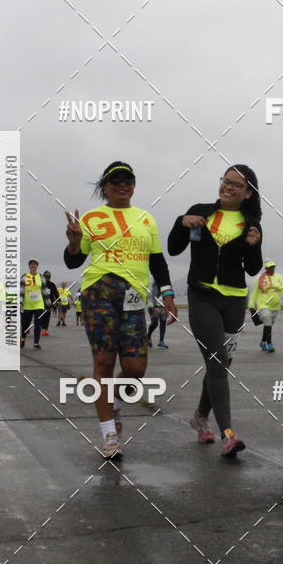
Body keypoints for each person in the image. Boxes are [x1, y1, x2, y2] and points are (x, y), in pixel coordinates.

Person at [64, 161, 177, 458]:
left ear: (134, 185)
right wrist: (74, 243)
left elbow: (158, 261)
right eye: (115, 180)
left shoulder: (145, 219)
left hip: (134, 296)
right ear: (105, 187)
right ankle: (109, 434)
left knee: (135, 369)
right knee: (103, 362)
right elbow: (73, 261)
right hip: (98, 290)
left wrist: (167, 294)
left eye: (127, 179)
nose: (122, 184)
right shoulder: (91, 218)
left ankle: (113, 402)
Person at [168, 165, 263, 456]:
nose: (229, 187)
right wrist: (181, 222)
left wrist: (254, 246)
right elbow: (173, 249)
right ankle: (228, 435)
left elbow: (253, 267)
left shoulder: (250, 221)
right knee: (218, 364)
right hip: (203, 297)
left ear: (248, 193)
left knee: (219, 366)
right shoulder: (200, 211)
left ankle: (200, 417)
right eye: (226, 181)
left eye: (237, 184)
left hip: (235, 302)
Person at [249, 260, 283, 352]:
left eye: (273, 267)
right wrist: (251, 305)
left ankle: (263, 342)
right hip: (263, 303)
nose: (272, 269)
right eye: (270, 267)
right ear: (266, 268)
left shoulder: (279, 277)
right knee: (267, 319)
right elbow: (255, 293)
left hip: (275, 305)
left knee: (269, 325)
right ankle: (270, 344)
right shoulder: (259, 279)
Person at [20, 259, 45, 349]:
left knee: (38, 324)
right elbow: (21, 290)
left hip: (39, 304)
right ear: (29, 266)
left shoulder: (41, 277)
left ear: (37, 266)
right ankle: (23, 338)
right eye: (31, 264)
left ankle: (36, 343)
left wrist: (48, 303)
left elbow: (45, 291)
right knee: (25, 324)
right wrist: (20, 302)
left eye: (35, 264)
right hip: (27, 305)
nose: (33, 266)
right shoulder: (24, 277)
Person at [147, 282, 168, 348]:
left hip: (162, 306)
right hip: (153, 306)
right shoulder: (156, 283)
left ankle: (161, 341)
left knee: (163, 322)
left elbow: (167, 296)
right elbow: (154, 295)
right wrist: (155, 306)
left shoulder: (166, 284)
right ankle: (148, 337)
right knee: (155, 323)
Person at [41, 271, 58, 335]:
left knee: (47, 317)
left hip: (50, 304)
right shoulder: (41, 284)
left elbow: (56, 293)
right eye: (45, 277)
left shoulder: (52, 284)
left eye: (48, 277)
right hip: (41, 303)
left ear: (50, 277)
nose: (47, 278)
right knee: (42, 316)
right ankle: (42, 329)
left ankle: (45, 329)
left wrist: (59, 300)